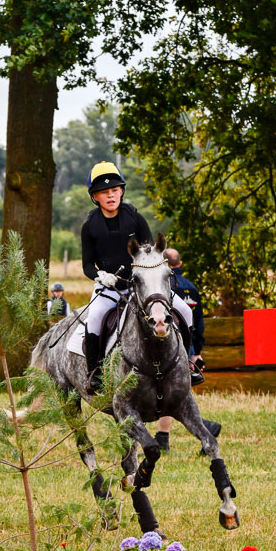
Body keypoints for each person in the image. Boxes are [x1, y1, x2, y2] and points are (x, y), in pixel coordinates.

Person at [81, 161, 194, 394]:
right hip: (110, 288)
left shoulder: (135, 218)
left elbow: (151, 253)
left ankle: (188, 363)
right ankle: (96, 373)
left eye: (114, 190)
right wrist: (101, 276)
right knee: (95, 319)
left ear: (121, 191)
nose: (110, 196)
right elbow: (86, 265)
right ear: (95, 197)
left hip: (143, 286)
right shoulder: (89, 226)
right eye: (104, 192)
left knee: (186, 311)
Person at [155, 248, 221, 452]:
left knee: (174, 395)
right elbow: (198, 323)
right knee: (172, 393)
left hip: (168, 346)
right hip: (187, 346)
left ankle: (207, 429)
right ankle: (162, 439)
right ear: (180, 265)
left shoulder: (163, 285)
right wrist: (197, 352)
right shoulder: (191, 288)